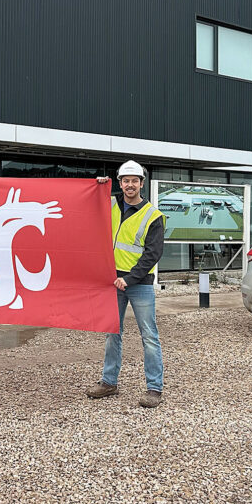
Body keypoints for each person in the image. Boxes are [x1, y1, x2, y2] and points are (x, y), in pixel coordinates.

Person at [87, 160, 165, 408]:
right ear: (120, 183)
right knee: (112, 333)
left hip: (138, 282)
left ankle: (154, 388)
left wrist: (129, 278)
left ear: (142, 184)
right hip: (113, 280)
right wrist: (99, 186)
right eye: (125, 180)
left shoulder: (153, 215)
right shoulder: (110, 204)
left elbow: (152, 254)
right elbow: (86, 205)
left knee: (149, 336)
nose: (129, 185)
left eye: (134, 180)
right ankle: (108, 382)